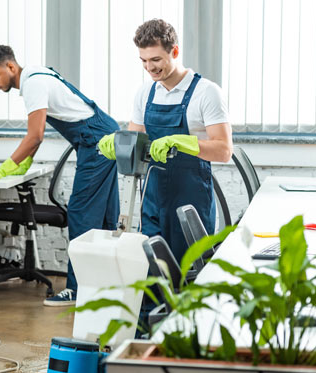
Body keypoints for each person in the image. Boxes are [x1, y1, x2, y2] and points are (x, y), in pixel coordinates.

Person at [0, 45, 120, 306]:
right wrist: (24, 161)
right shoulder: (37, 75)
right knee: (105, 215)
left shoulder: (32, 84)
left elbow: (35, 135)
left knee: (81, 212)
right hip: (103, 135)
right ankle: (107, 284)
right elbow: (37, 135)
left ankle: (77, 290)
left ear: (10, 67)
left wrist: (7, 166)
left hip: (97, 142)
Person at [99, 19, 232, 262]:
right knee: (151, 272)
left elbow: (224, 151)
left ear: (175, 51)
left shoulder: (206, 92)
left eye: (156, 60)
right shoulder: (145, 92)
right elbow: (136, 142)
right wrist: (119, 144)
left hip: (190, 202)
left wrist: (185, 143)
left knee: (188, 274)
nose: (149, 67)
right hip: (151, 197)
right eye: (144, 61)